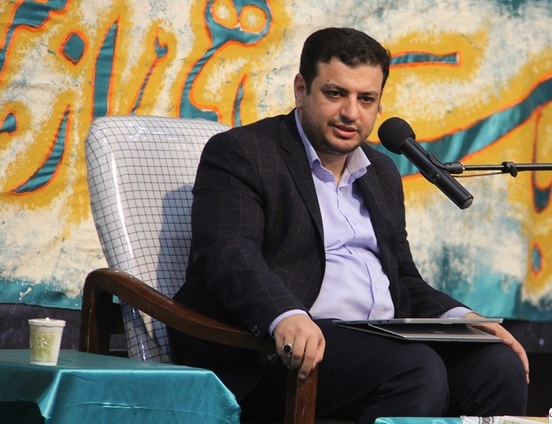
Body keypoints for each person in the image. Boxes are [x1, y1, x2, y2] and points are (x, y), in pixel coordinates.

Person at [170, 27, 529, 423]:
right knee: (415, 369)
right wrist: (284, 314)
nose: (351, 113)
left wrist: (464, 320)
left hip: (381, 340)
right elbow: (229, 253)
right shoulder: (243, 152)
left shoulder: (381, 171)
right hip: (277, 353)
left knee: (497, 365)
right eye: (335, 93)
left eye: (366, 99)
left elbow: (403, 279)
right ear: (302, 90)